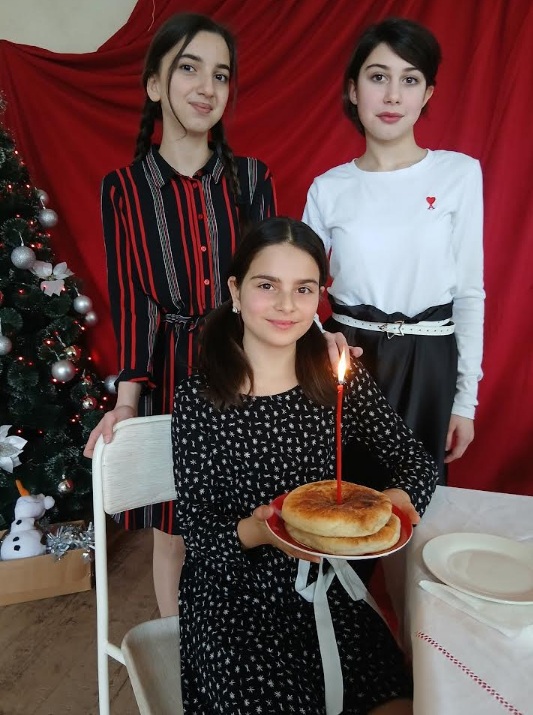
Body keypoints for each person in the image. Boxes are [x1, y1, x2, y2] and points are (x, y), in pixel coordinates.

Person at [84, 13, 353, 618]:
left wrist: (318, 334)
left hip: (249, 365)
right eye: (189, 68)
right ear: (155, 84)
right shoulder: (124, 189)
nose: (207, 87)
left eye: (221, 75)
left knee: (258, 515)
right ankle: (187, 646)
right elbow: (132, 298)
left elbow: (278, 275)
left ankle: (260, 633)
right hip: (172, 376)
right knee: (177, 531)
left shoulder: (252, 178)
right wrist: (127, 401)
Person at [172, 216, 438, 714]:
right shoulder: (198, 398)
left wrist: (399, 499)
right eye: (266, 285)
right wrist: (260, 532)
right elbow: (198, 532)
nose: (286, 304)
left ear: (319, 297)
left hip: (327, 589)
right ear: (235, 290)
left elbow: (415, 459)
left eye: (303, 288)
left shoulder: (336, 378)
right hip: (233, 603)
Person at [303, 17, 484, 486]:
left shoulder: (459, 175)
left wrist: (464, 401)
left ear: (427, 94)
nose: (392, 96)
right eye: (378, 77)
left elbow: (469, 292)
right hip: (350, 361)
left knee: (415, 506)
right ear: (353, 89)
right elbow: (299, 288)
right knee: (343, 501)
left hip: (430, 362)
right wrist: (321, 339)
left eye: (410, 80)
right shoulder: (328, 189)